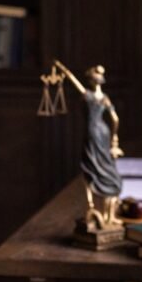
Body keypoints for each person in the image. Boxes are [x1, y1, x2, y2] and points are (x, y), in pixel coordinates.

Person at [54, 60, 125, 225]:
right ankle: (104, 210)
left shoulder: (88, 95)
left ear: (92, 81)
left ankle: (92, 205)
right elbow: (115, 119)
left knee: (89, 164)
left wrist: (64, 70)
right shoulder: (105, 98)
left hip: (92, 132)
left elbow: (74, 82)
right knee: (105, 163)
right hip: (104, 131)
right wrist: (114, 138)